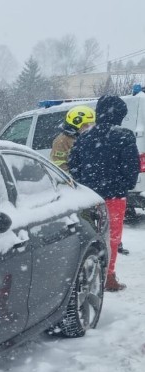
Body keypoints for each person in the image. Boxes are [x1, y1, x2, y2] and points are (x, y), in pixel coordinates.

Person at [69, 95, 140, 291]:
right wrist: (122, 185)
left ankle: (86, 275)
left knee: (89, 236)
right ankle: (108, 277)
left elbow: (73, 166)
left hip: (88, 198)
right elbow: (131, 168)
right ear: (119, 115)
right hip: (114, 197)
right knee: (112, 238)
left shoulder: (84, 137)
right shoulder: (124, 137)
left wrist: (85, 184)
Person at [51, 105, 95, 173]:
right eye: (86, 125)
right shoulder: (61, 141)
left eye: (91, 124)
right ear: (75, 124)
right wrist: (75, 177)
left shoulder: (90, 138)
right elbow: (59, 166)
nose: (90, 127)